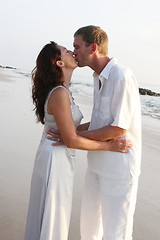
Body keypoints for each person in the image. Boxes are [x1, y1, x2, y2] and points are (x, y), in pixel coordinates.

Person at [24, 41, 132, 240]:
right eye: (66, 51)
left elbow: (72, 131)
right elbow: (72, 139)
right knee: (54, 210)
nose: (72, 52)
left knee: (55, 209)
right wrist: (109, 145)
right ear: (58, 63)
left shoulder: (63, 92)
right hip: (54, 158)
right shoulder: (59, 93)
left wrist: (111, 124)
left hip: (58, 154)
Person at [48, 26, 142, 240]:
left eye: (76, 46)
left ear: (93, 48)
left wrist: (72, 137)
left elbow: (118, 128)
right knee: (89, 230)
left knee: (116, 234)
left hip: (119, 170)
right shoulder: (97, 77)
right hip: (96, 166)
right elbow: (100, 122)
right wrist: (69, 130)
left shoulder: (122, 76)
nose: (74, 52)